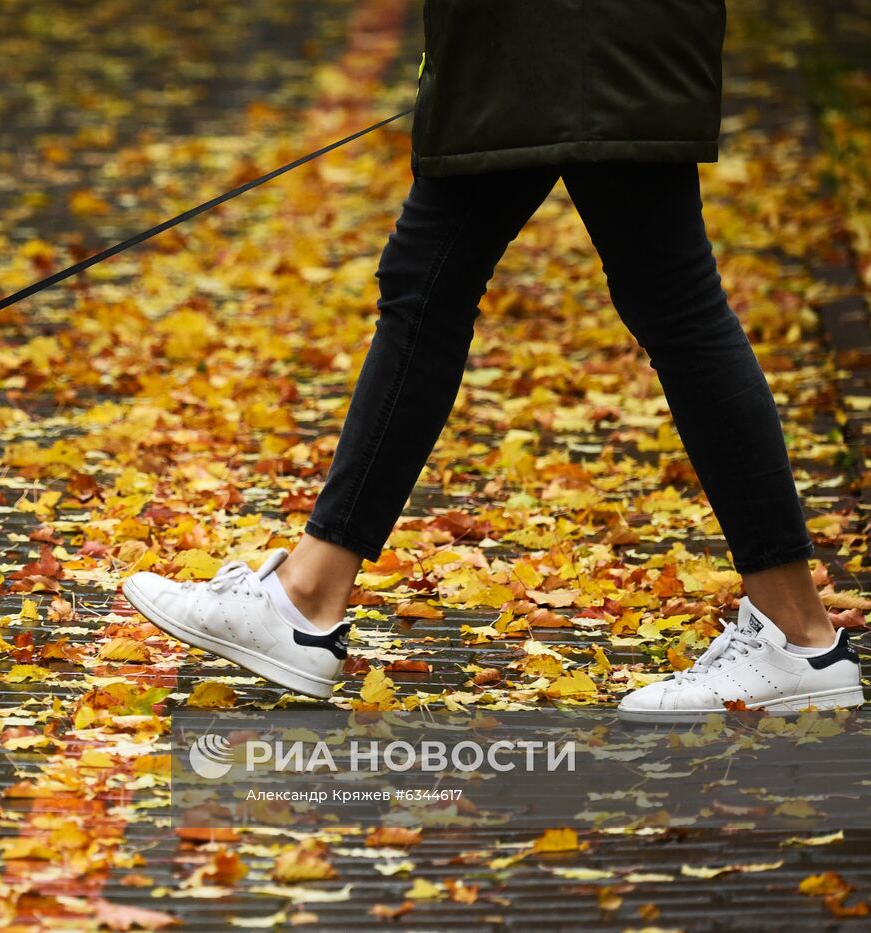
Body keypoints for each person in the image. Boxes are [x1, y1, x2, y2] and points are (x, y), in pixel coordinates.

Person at [122, 0, 864, 718]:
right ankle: (308, 593)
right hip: (568, 33)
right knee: (455, 285)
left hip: (564, 32)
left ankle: (797, 634)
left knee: (635, 296)